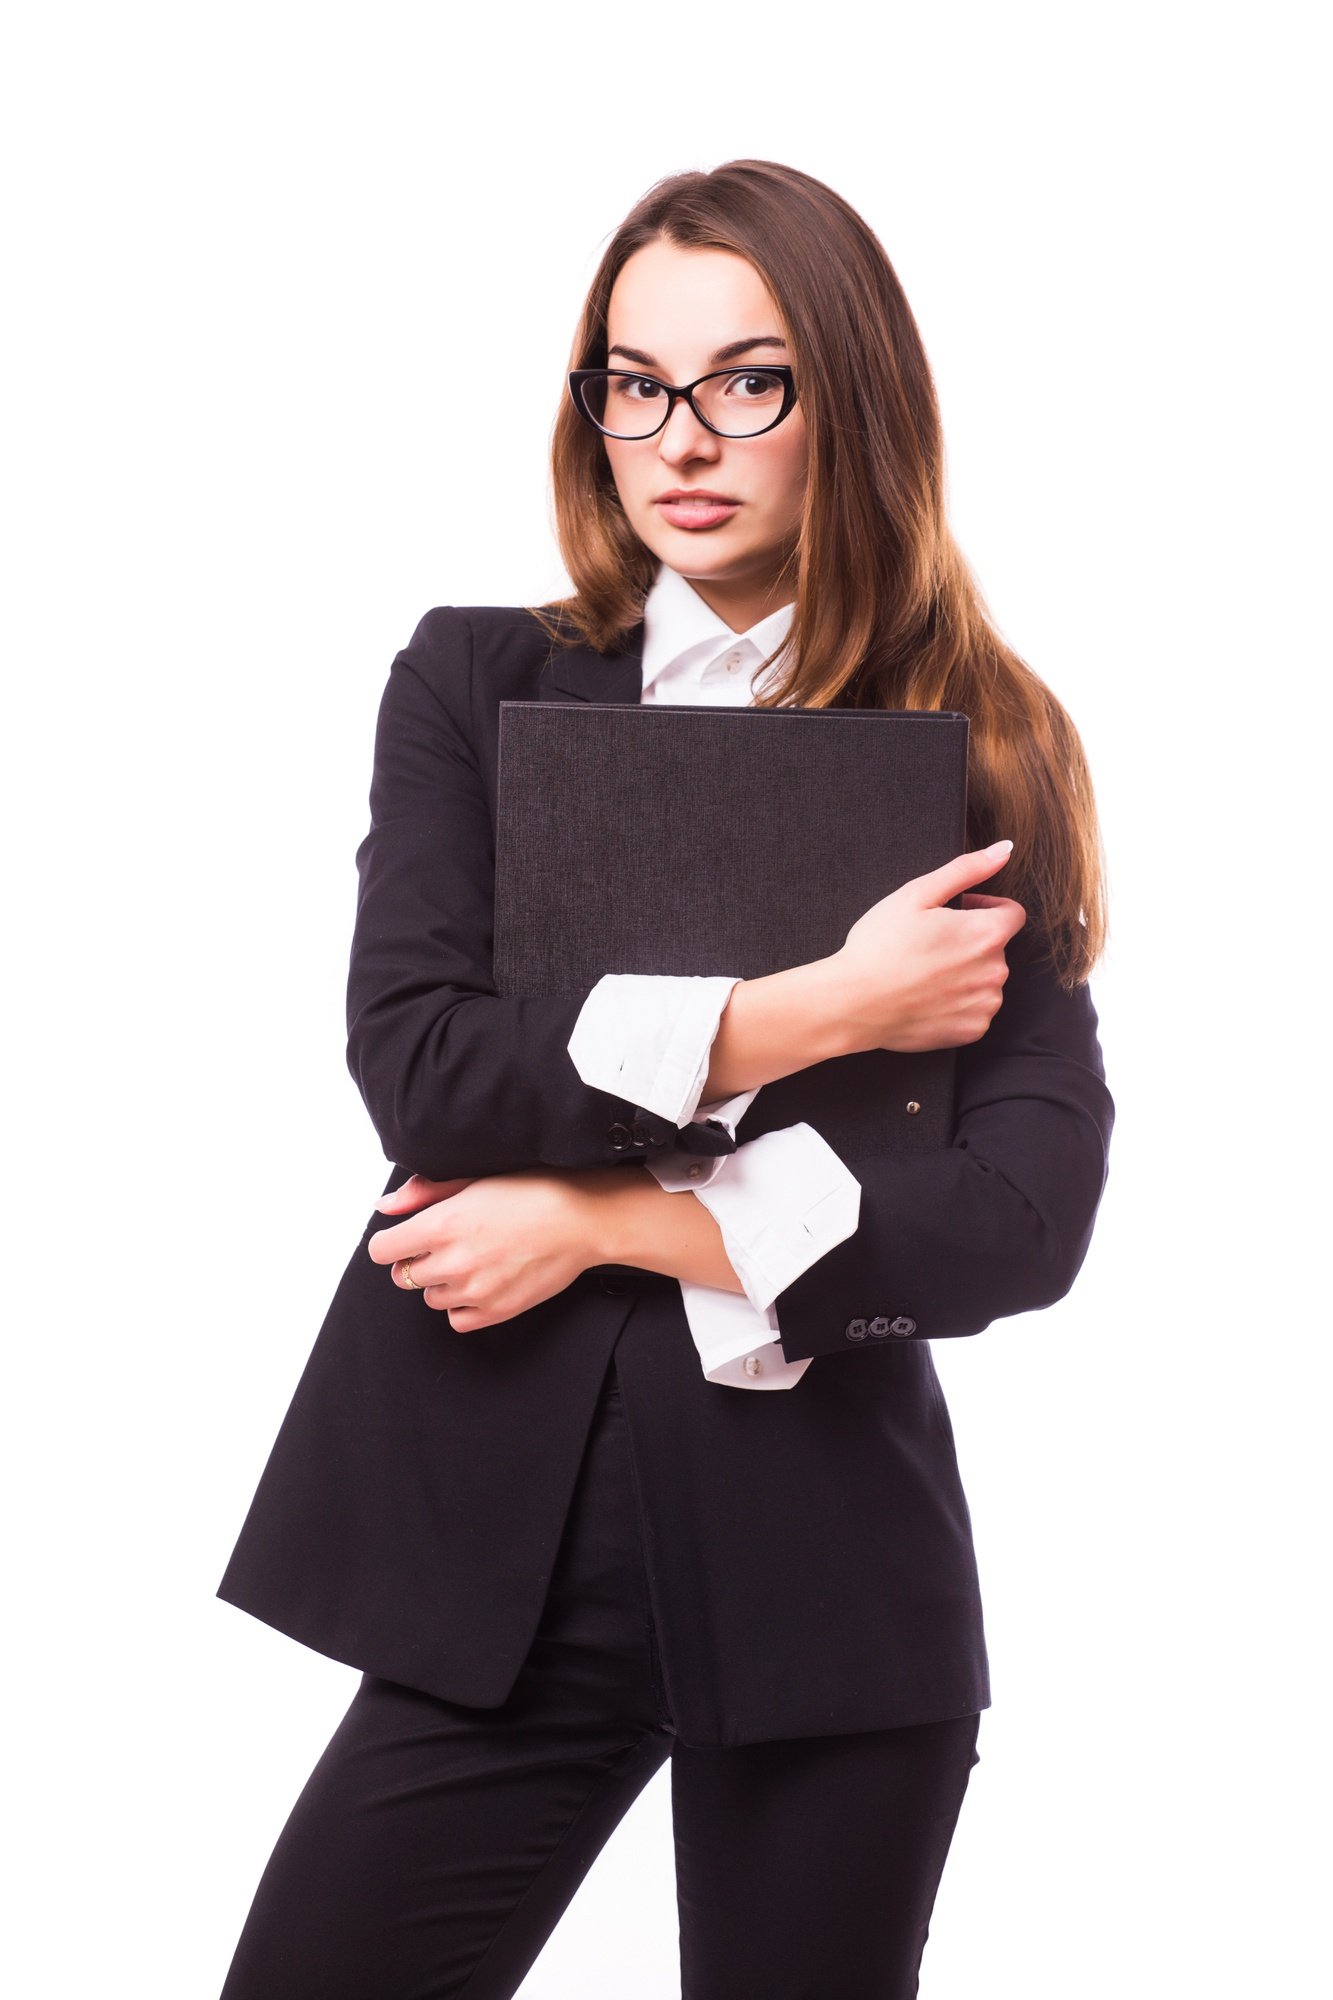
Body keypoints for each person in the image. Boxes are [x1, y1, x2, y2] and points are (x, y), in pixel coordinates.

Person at [216, 158, 1114, 1999]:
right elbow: (425, 1069)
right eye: (630, 381)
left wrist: (603, 1218)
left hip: (826, 1578)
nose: (676, 436)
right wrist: (820, 1008)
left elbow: (1016, 1225)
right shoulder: (481, 685)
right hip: (501, 1564)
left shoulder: (979, 755)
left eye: (744, 381)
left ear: (844, 403)